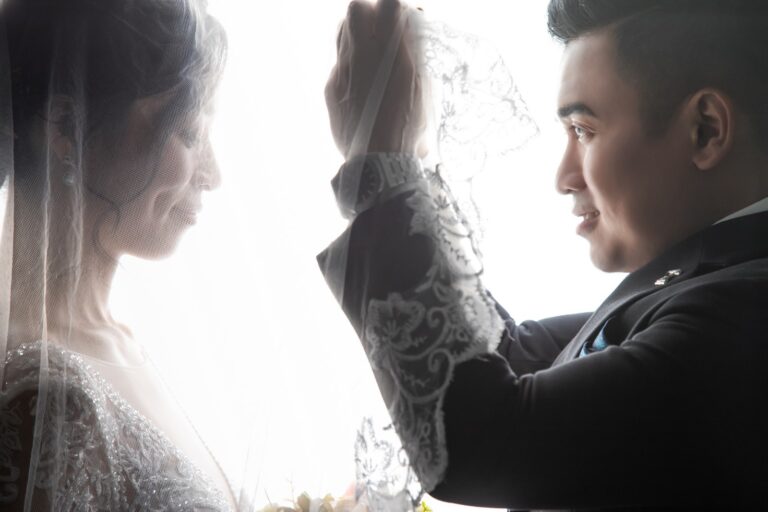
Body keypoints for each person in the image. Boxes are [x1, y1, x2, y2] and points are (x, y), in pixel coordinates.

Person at [321, 0, 768, 509]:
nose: (563, 177)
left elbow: (489, 438)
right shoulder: (706, 286)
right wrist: (403, 166)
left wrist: (381, 165)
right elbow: (504, 355)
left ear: (706, 130)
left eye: (584, 131)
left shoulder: (744, 313)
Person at [0, 0, 234, 509]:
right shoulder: (43, 401)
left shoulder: (126, 342)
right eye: (189, 133)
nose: (213, 176)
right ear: (65, 126)